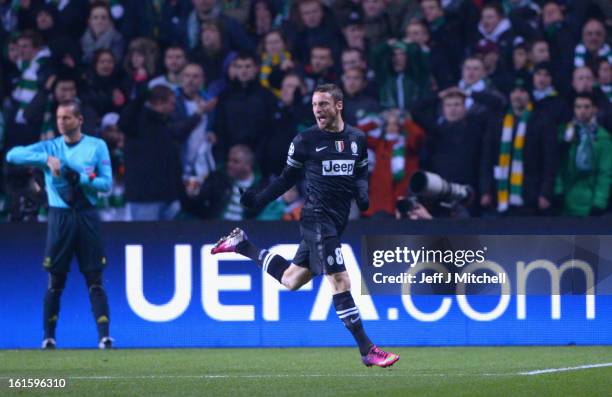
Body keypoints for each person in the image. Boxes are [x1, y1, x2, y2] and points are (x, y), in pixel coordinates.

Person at [211, 84, 399, 368]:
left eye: (323, 104)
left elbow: (360, 170)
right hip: (316, 217)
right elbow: (287, 179)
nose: (317, 110)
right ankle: (367, 349)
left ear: (338, 105)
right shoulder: (305, 141)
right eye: (314, 105)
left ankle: (242, 245)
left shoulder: (357, 139)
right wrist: (260, 199)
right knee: (340, 280)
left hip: (337, 220)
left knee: (291, 279)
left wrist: (362, 194)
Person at [5, 101, 113, 349]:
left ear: (80, 120)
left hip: (86, 215)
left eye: (67, 118)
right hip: (60, 217)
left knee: (94, 278)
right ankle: (49, 337)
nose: (62, 122)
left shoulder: (96, 146)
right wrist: (45, 159)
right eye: (59, 118)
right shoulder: (51, 147)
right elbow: (13, 155)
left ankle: (104, 336)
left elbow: (106, 184)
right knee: (55, 281)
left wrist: (82, 178)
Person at [555, 94, 611, 217]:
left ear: (594, 109)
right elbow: (556, 166)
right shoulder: (564, 134)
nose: (582, 111)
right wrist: (558, 192)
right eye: (578, 107)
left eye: (587, 107)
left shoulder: (603, 137)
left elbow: (605, 174)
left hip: (591, 204)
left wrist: (599, 202)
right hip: (566, 202)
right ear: (573, 109)